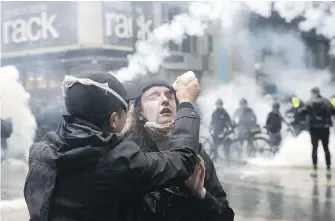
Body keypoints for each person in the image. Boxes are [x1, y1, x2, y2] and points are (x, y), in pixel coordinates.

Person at [24, 71, 201, 221]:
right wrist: (186, 104)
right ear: (114, 119)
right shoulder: (118, 161)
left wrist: (120, 136)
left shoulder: (41, 150)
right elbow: (182, 160)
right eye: (125, 110)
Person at [124, 77, 234, 221]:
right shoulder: (131, 155)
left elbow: (225, 216)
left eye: (170, 96)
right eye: (154, 96)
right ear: (139, 113)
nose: (164, 100)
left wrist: (200, 193)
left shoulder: (197, 156)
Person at [299, 87, 334, 178]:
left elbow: (302, 112)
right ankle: (328, 170)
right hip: (325, 128)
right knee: (326, 148)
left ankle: (315, 170)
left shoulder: (310, 102)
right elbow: (333, 111)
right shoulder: (326, 101)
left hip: (314, 129)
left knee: (315, 149)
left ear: (312, 93)